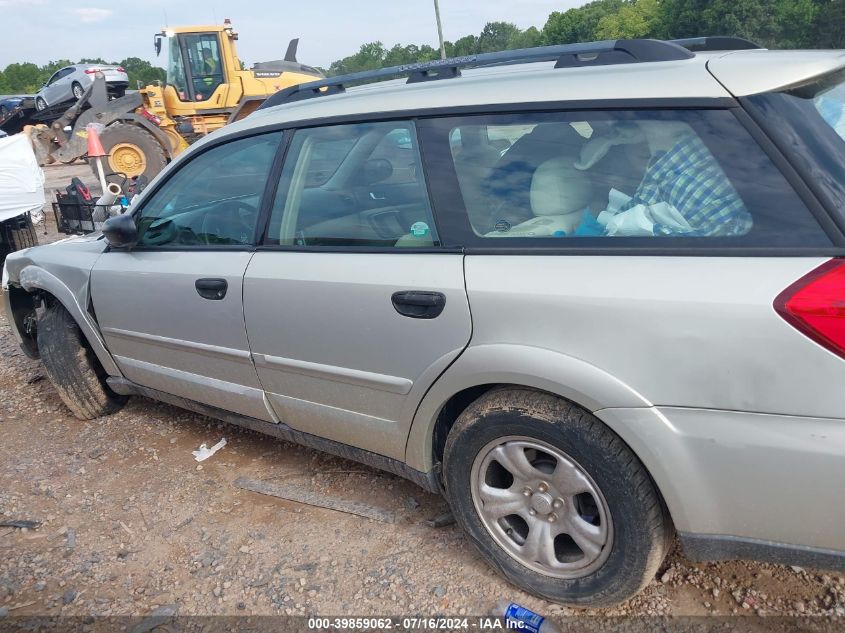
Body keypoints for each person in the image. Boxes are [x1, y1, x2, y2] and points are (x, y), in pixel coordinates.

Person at [575, 120, 753, 237]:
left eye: (648, 148)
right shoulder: (602, 208)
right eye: (641, 153)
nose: (649, 153)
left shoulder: (690, 181)